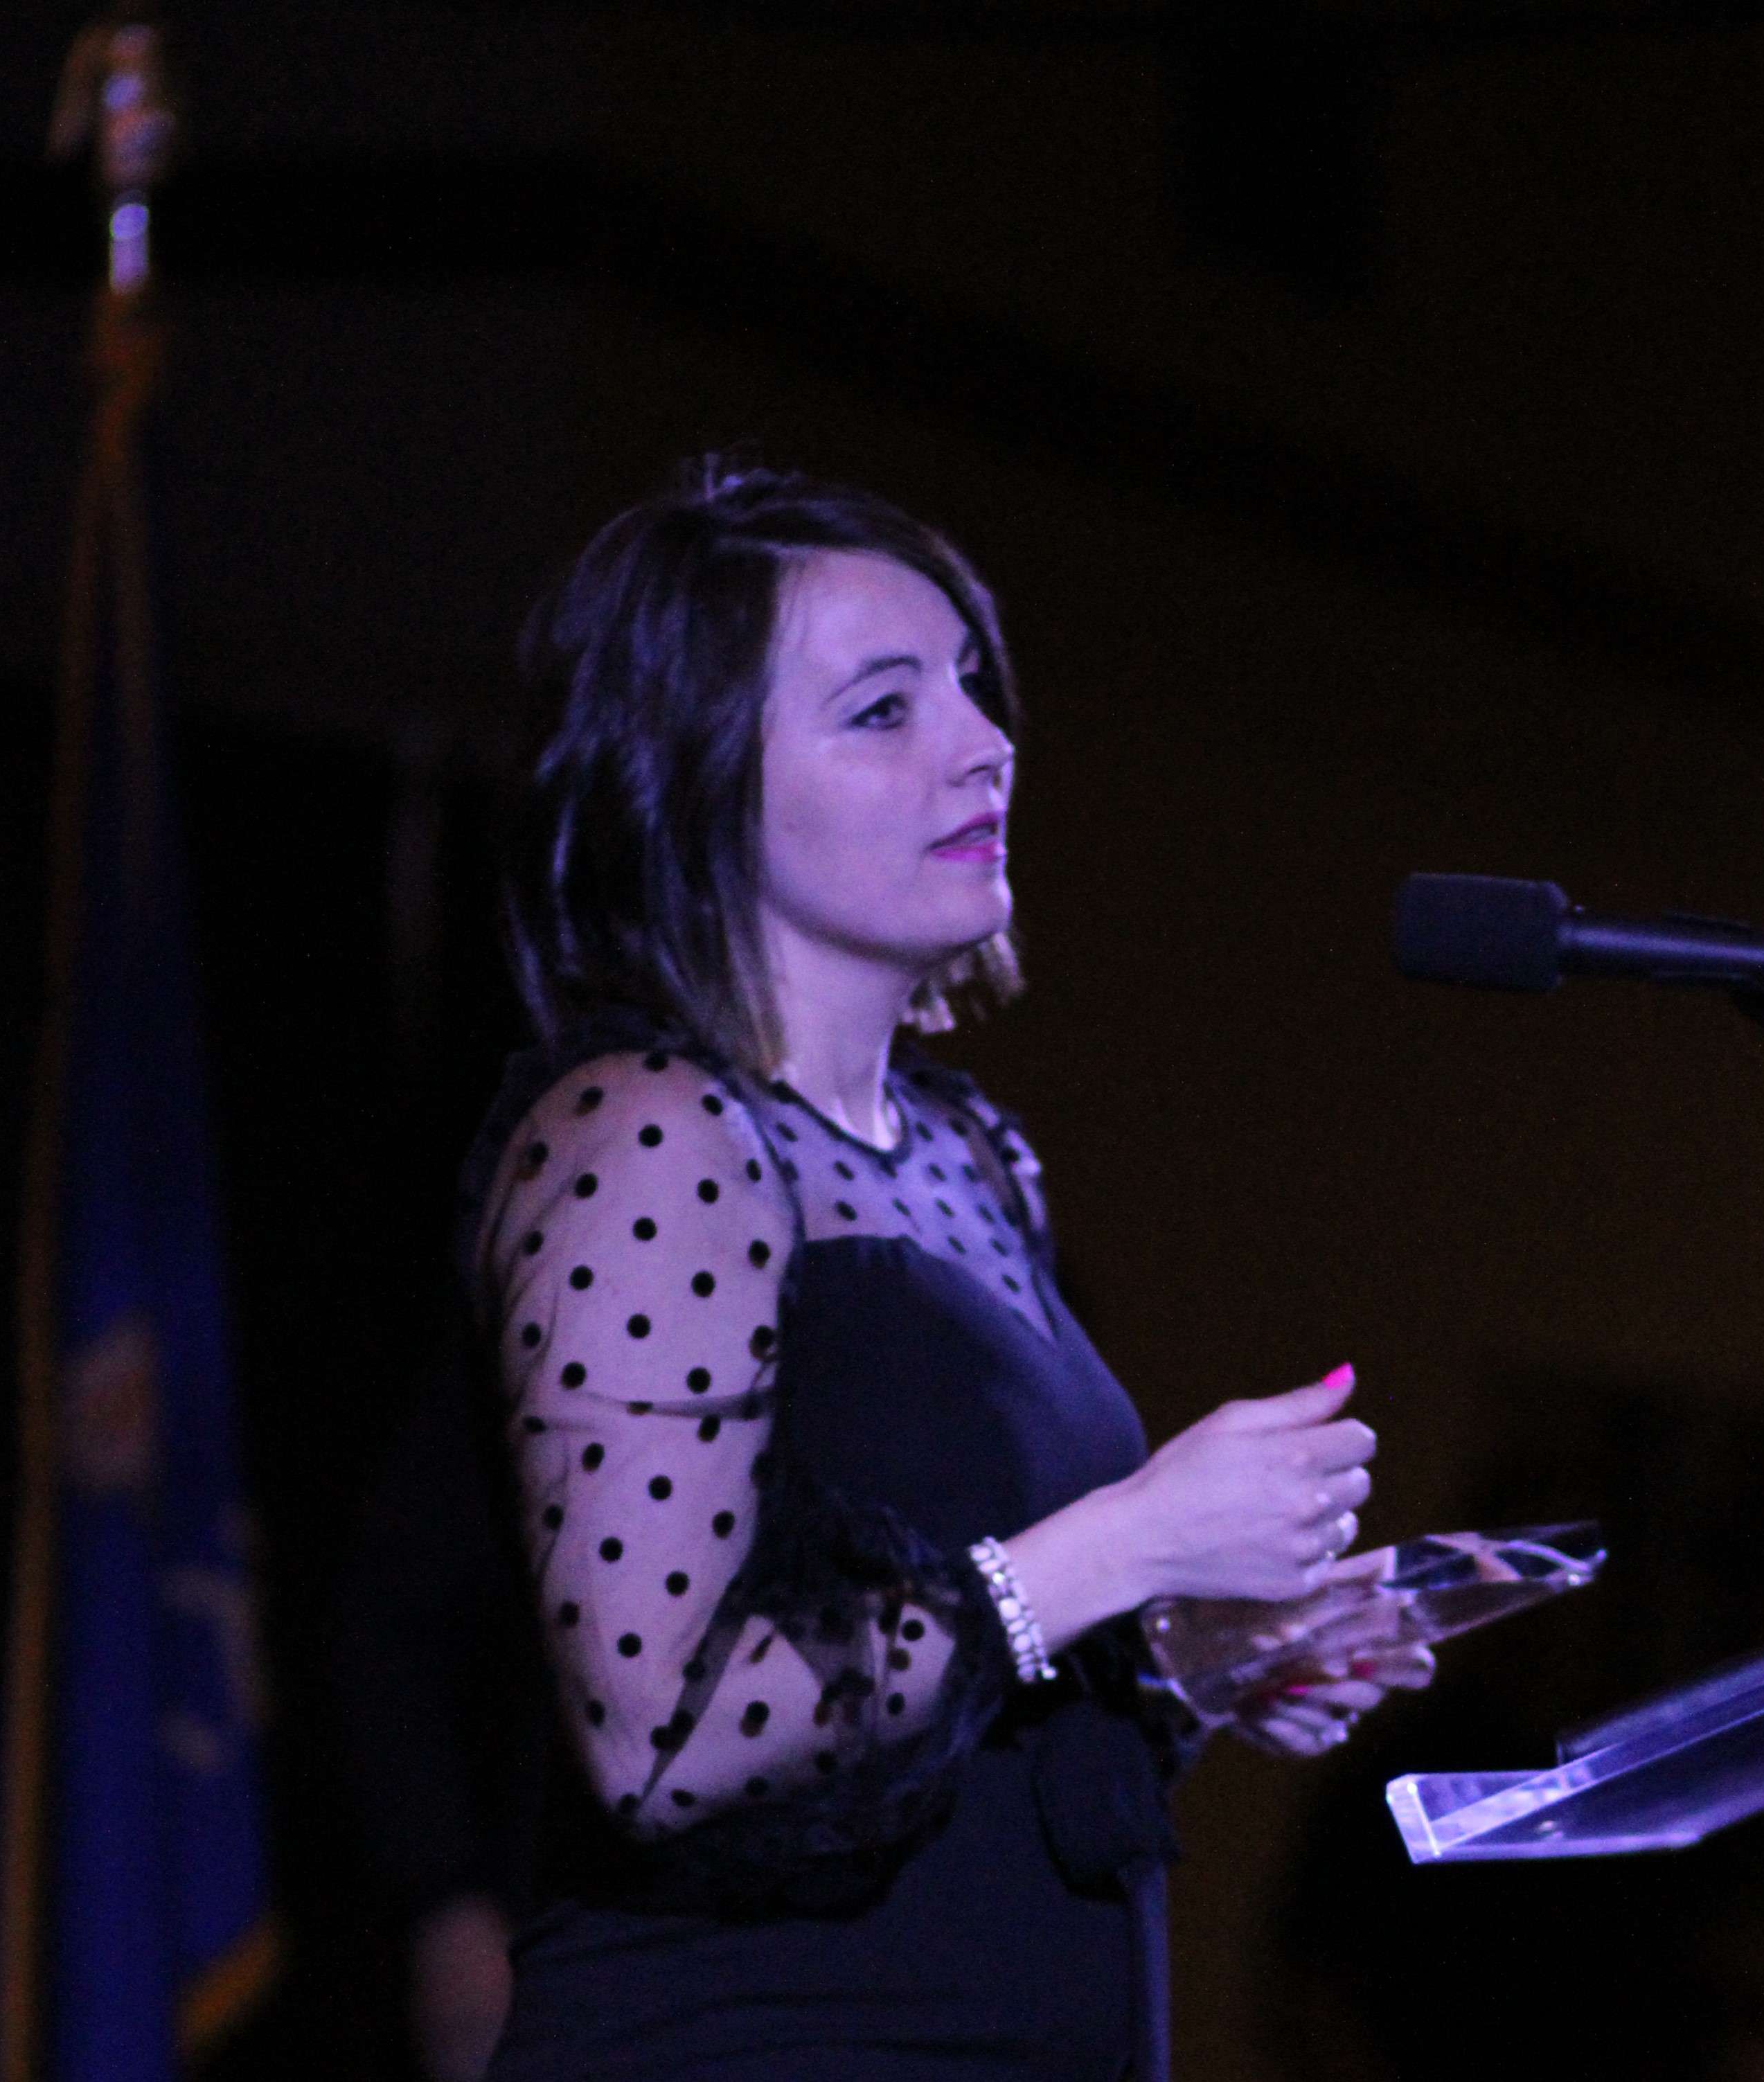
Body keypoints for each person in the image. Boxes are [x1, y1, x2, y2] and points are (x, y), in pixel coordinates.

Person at [457, 462, 1430, 2081]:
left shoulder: (970, 1153)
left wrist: (1195, 1664)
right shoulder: (648, 1132)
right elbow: (666, 1737)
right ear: (701, 780)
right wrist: (1129, 1541)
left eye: (974, 686)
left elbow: (935, 1722)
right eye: (881, 708)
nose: (982, 742)